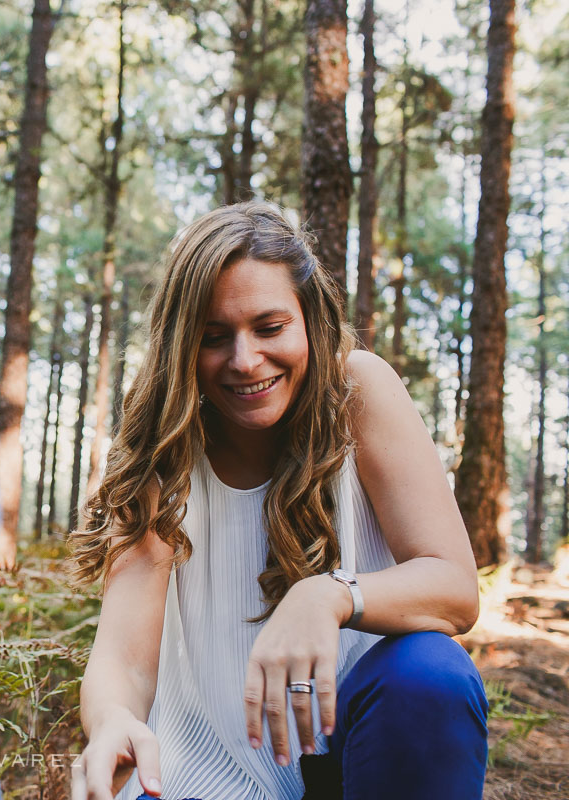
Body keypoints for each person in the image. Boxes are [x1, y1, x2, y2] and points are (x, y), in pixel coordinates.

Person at [69, 202, 488, 800]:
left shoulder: (358, 392)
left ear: (309, 320)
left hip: (361, 752)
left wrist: (329, 596)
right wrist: (112, 719)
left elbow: (454, 588)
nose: (245, 361)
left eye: (269, 327)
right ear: (182, 344)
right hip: (205, 772)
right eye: (214, 337)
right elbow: (125, 658)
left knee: (430, 675)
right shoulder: (165, 449)